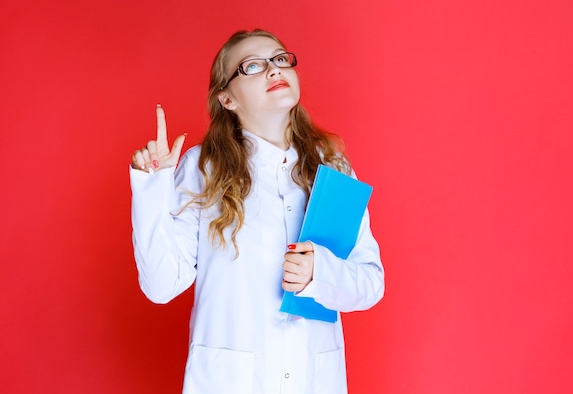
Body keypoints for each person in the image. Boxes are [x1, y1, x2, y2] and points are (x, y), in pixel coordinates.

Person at [130, 29, 384, 393]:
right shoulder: (204, 167)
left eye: (280, 59)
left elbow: (370, 283)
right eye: (252, 66)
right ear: (227, 98)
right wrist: (152, 190)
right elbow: (161, 286)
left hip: (313, 380)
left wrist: (320, 272)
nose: (273, 69)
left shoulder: (333, 168)